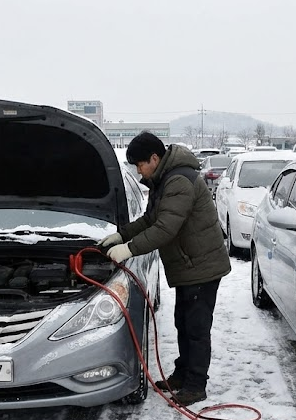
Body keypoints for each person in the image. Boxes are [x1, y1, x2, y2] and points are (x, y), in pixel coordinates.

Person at [99, 132, 231, 406]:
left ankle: (196, 385)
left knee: (195, 328)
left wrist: (129, 249)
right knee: (183, 322)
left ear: (155, 158)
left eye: (140, 164)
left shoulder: (179, 181)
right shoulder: (163, 179)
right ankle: (183, 375)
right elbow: (150, 219)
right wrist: (121, 235)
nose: (138, 171)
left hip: (201, 265)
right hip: (189, 265)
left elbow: (165, 228)